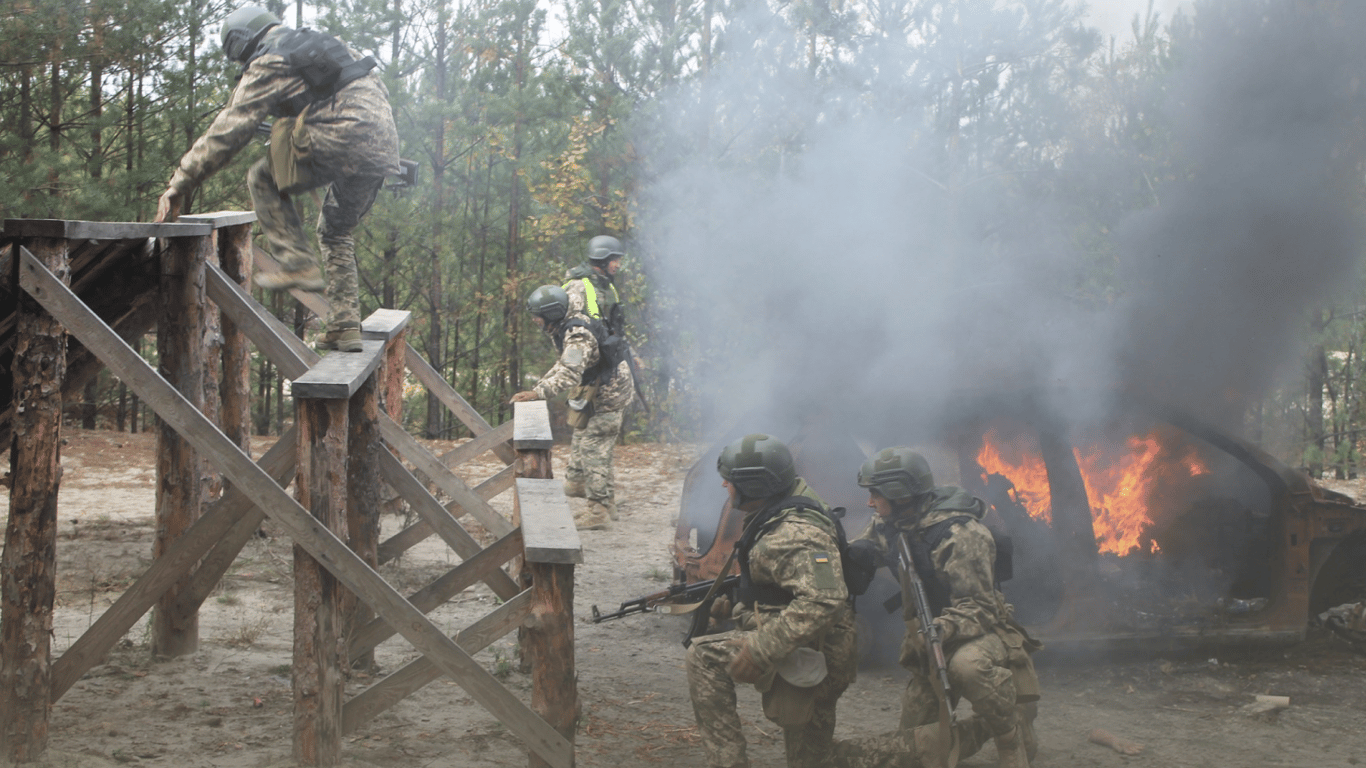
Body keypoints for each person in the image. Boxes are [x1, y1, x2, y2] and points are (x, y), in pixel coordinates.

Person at [154, 5, 400, 353]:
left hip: (340, 135)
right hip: (383, 147)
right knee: (335, 230)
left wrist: (180, 181)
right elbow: (363, 89)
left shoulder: (270, 60)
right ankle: (345, 326)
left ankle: (297, 263)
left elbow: (230, 130)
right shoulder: (328, 43)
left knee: (261, 178)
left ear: (240, 42)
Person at [836, 447, 1041, 768]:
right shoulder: (891, 522)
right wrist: (854, 555)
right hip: (932, 634)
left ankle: (1009, 732)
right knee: (917, 738)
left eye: (875, 494)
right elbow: (869, 549)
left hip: (982, 630)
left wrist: (940, 631)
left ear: (900, 494)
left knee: (967, 666)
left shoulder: (959, 534)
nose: (869, 502)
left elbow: (981, 607)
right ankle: (979, 729)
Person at [686, 433, 858, 768]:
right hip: (820, 644)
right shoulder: (779, 508)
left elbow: (825, 599)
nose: (724, 486)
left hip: (821, 652)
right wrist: (740, 605)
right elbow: (783, 587)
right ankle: (925, 746)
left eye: (731, 481)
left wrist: (760, 648)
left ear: (755, 486)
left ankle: (925, 746)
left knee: (702, 657)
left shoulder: (796, 532)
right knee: (812, 760)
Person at [510, 285, 633, 530]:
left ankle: (598, 512)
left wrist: (538, 392)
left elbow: (569, 371)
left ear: (553, 313)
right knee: (590, 446)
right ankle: (607, 504)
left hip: (608, 394)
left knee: (593, 450)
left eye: (538, 316)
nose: (535, 320)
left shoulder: (578, 335)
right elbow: (563, 363)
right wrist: (539, 388)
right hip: (599, 387)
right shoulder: (569, 320)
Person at [562, 235, 626, 335]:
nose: (618, 265)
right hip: (585, 347)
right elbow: (571, 330)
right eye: (615, 261)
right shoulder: (577, 287)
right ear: (603, 260)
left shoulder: (607, 286)